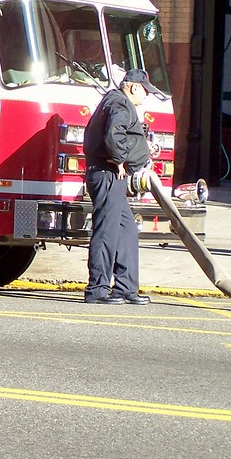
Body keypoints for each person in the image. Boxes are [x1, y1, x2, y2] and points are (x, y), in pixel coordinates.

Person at [82, 68, 156, 304]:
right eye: (145, 91)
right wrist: (121, 159)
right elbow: (114, 136)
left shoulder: (116, 102)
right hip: (108, 174)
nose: (146, 96)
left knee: (126, 230)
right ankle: (98, 290)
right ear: (134, 87)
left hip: (111, 175)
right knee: (107, 231)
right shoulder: (120, 104)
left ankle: (125, 288)